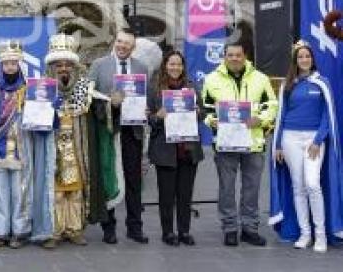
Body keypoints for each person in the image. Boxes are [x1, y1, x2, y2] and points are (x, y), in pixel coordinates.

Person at [34, 33, 118, 248]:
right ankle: (54, 231)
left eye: (67, 64)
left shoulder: (86, 90)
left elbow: (102, 114)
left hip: (78, 149)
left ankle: (74, 229)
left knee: (76, 190)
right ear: (51, 68)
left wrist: (112, 106)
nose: (63, 69)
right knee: (56, 192)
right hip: (53, 149)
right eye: (58, 65)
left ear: (74, 66)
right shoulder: (40, 90)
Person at [202, 41, 277, 247]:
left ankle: (250, 228)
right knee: (226, 187)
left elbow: (271, 104)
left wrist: (261, 119)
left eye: (238, 55)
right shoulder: (211, 79)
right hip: (225, 144)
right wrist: (212, 120)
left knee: (251, 188)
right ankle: (230, 228)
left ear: (245, 56)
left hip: (253, 142)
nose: (234, 58)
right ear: (224, 57)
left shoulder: (260, 79)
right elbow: (206, 108)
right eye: (230, 55)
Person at [270, 40, 343, 251]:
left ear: (312, 59)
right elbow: (281, 115)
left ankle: (320, 235)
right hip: (289, 139)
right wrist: (278, 145)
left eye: (307, 56)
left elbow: (327, 116)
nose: (304, 59)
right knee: (298, 186)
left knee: (313, 184)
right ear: (295, 60)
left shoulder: (322, 82)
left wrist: (318, 140)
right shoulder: (288, 84)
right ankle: (305, 233)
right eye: (300, 56)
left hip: (313, 140)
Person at [88, 29, 149, 244]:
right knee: (109, 177)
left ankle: (135, 227)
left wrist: (146, 110)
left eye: (128, 44)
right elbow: (88, 97)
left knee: (134, 180)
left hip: (133, 132)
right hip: (108, 130)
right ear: (115, 42)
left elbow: (146, 98)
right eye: (120, 42)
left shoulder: (142, 68)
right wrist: (108, 104)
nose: (123, 46)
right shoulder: (99, 65)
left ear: (133, 47)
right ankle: (109, 227)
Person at [147, 50, 203, 246]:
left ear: (183, 67)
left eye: (179, 64)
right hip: (165, 150)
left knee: (185, 195)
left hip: (188, 150)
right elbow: (147, 117)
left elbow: (202, 113)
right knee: (167, 195)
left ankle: (184, 232)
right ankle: (168, 232)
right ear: (165, 66)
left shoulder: (192, 87)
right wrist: (157, 117)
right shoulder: (154, 89)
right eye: (172, 64)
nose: (175, 68)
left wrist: (197, 112)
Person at [0, 41, 31, 248]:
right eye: (6, 64)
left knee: (20, 191)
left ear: (20, 65)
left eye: (13, 63)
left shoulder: (29, 89)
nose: (10, 67)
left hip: (20, 148)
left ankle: (19, 232)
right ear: (0, 66)